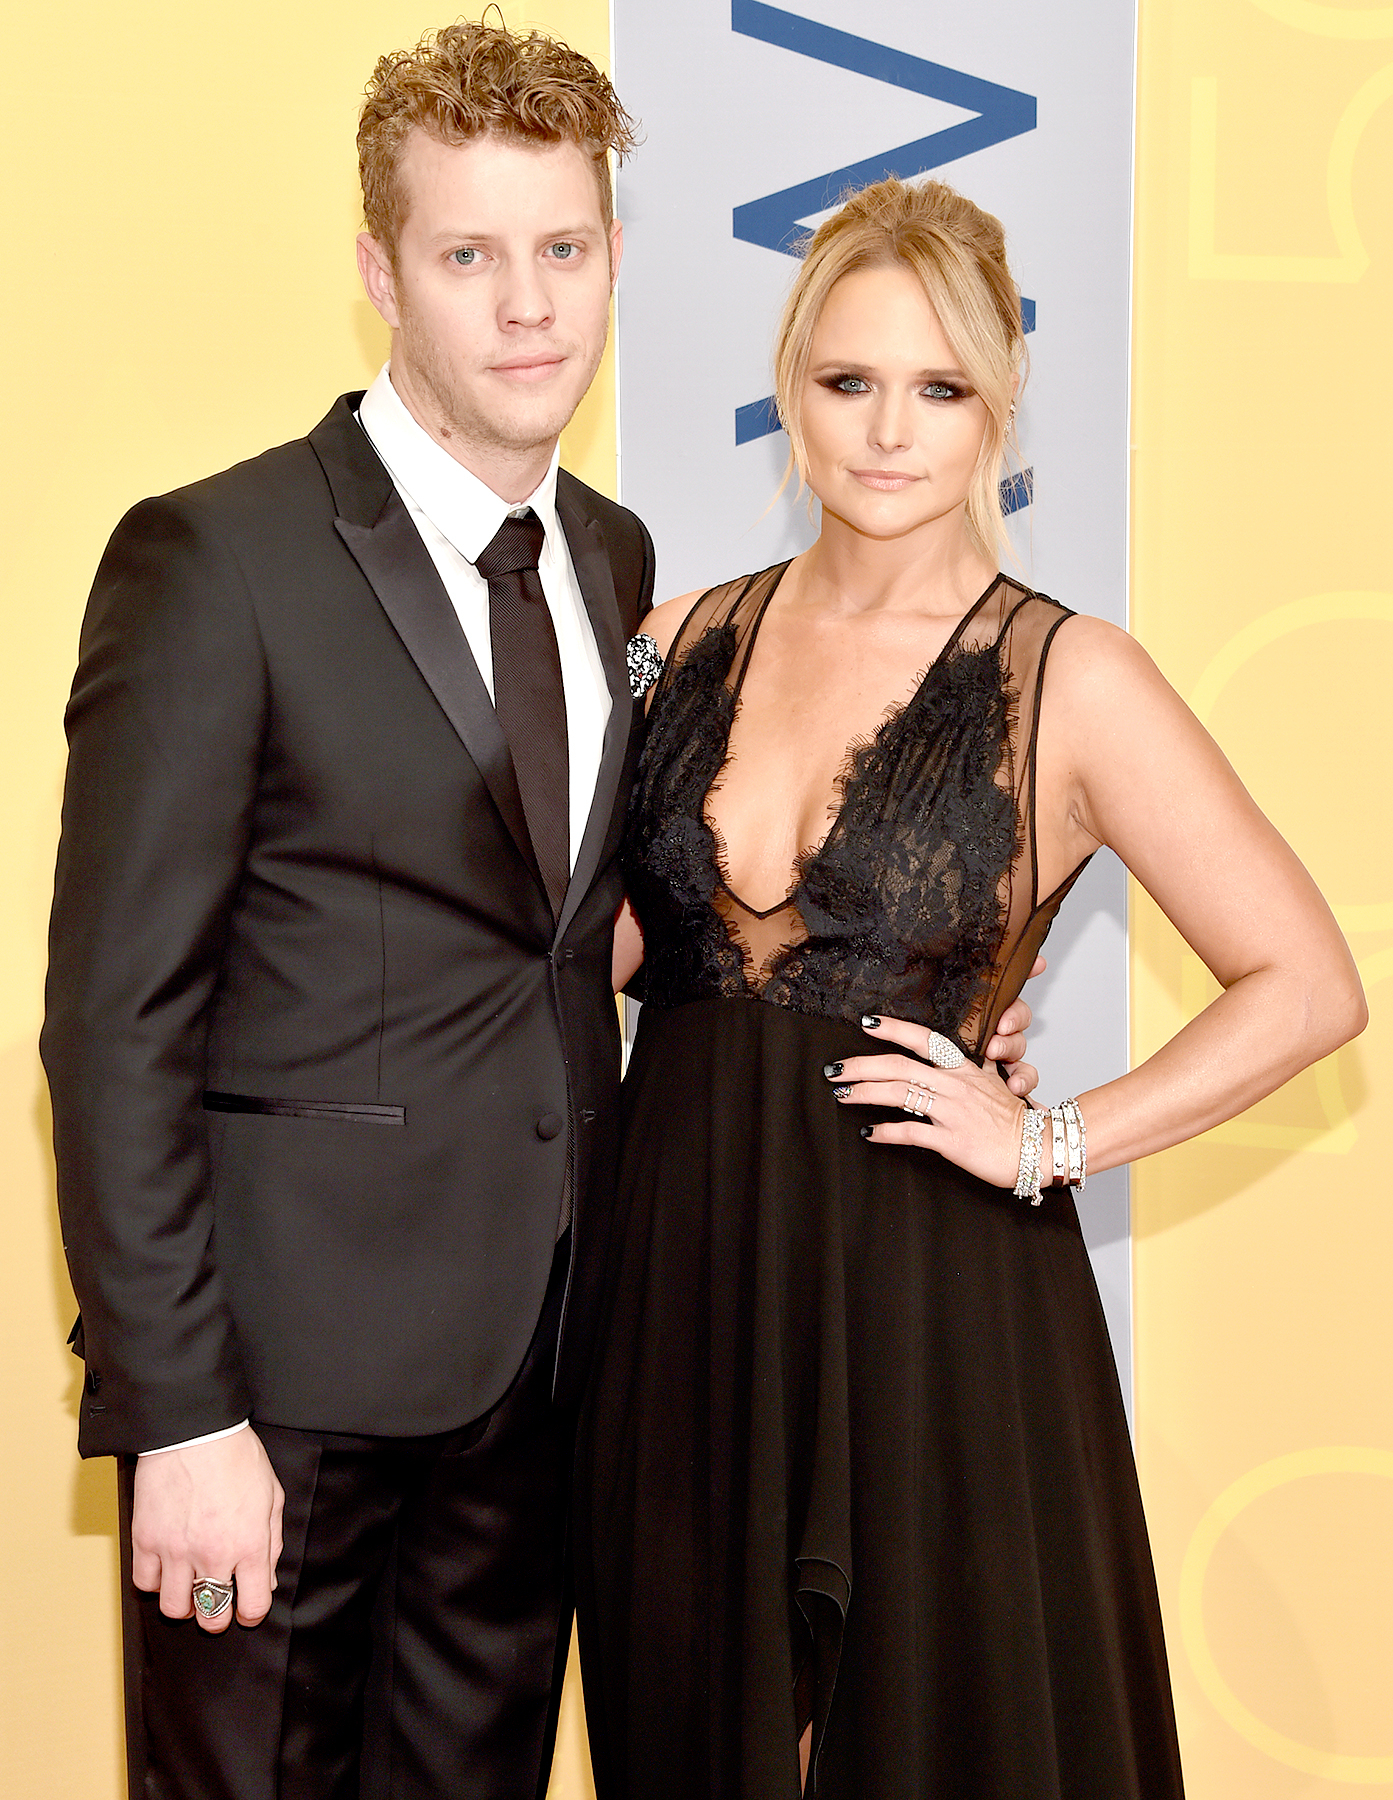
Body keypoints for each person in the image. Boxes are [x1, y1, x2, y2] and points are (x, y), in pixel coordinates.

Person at [574, 176, 1367, 1799]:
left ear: (998, 409)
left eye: (937, 388)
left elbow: (1305, 984)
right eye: (847, 381)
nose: (887, 431)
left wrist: (1050, 1139)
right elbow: (570, 966)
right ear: (790, 392)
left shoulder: (1072, 676)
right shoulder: (666, 643)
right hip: (675, 1288)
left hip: (929, 1303)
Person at [41, 22, 652, 1800]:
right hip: (275, 1401)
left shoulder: (610, 558)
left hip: (537, 1378)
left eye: (564, 247)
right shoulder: (213, 559)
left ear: (613, 252)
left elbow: (573, 926)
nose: (528, 307)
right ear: (382, 274)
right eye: (469, 256)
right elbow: (113, 1023)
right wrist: (179, 1415)